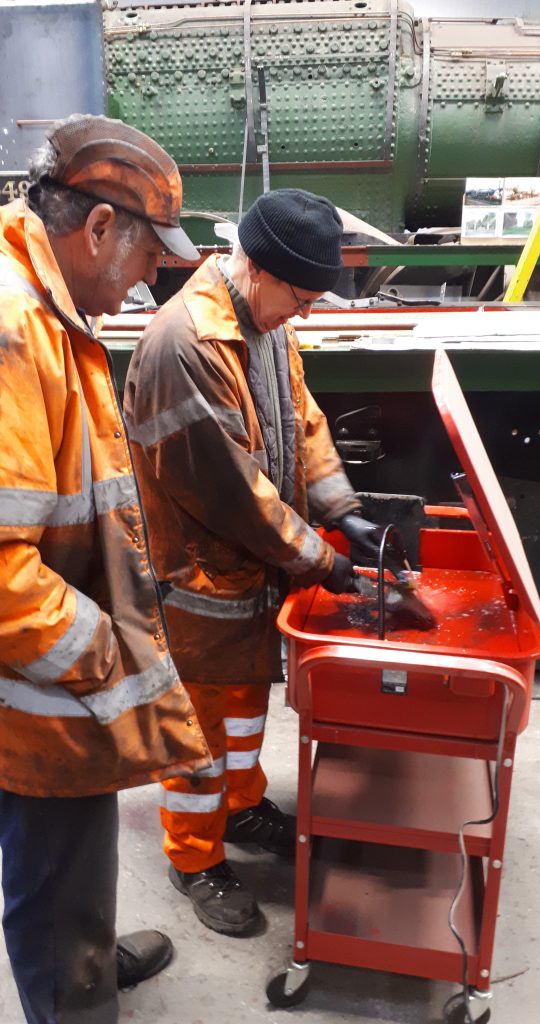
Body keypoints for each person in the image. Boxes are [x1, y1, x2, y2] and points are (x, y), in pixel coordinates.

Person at [124, 188, 382, 937]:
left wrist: (344, 512)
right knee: (199, 730)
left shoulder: (264, 323)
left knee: (243, 711)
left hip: (248, 576)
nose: (303, 312)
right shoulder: (186, 347)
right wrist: (320, 561)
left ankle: (240, 807)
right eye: (300, 297)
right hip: (200, 578)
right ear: (258, 269)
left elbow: (302, 422)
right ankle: (194, 856)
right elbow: (232, 493)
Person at [0, 114, 211, 1024]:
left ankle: (79, 943)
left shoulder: (51, 309)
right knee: (52, 836)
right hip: (41, 677)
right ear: (94, 230)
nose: (148, 280)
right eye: (145, 257)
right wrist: (102, 655)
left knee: (71, 841)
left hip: (52, 667)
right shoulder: (13, 329)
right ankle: (70, 992)